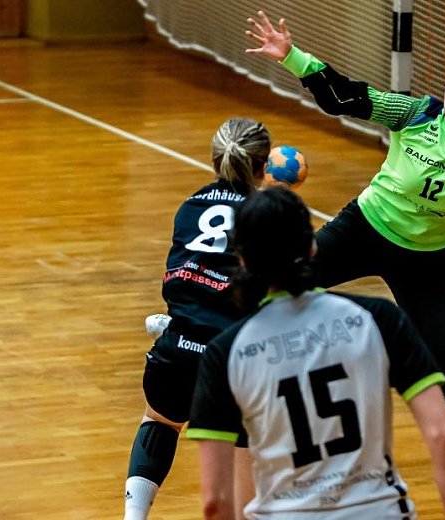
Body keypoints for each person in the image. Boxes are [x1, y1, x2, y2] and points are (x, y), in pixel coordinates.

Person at [245, 10, 445, 516]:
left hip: (427, 258)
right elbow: (347, 96)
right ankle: (189, 321)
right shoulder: (417, 113)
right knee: (278, 272)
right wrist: (291, 55)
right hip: (366, 228)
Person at [187, 186, 445, 519]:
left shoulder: (226, 352)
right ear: (312, 246)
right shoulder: (379, 320)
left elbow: (215, 502)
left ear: (243, 259)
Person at [123, 117, 271, 520]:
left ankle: (133, 517)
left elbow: (183, 274)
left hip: (178, 347)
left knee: (160, 419)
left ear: (214, 162)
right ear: (262, 167)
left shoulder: (190, 206)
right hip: (235, 358)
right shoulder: (266, 213)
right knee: (244, 462)